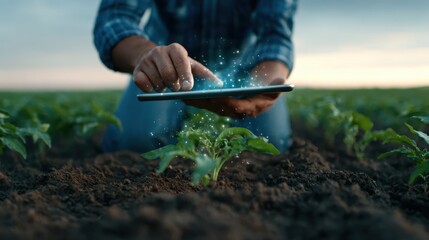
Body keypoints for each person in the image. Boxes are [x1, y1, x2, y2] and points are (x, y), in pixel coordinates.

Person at [93, 0, 297, 152]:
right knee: (134, 144)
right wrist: (145, 56)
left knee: (271, 144)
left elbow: (275, 33)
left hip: (243, 70)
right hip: (165, 72)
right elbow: (115, 18)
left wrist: (264, 83)